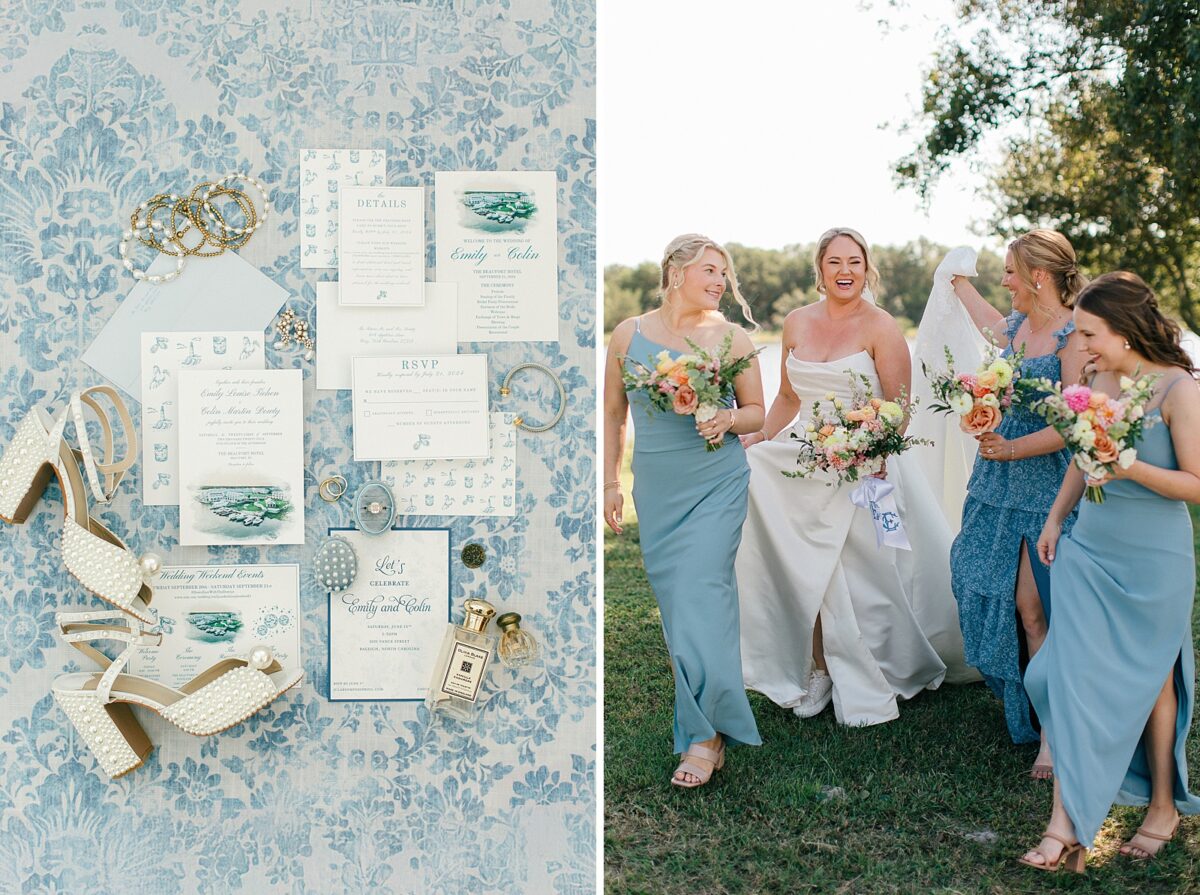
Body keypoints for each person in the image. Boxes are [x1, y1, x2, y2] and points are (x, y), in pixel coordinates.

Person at [735, 227, 969, 727]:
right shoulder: (796, 322)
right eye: (835, 262)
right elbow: (789, 399)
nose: (845, 271)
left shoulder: (882, 327)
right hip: (807, 455)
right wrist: (761, 439)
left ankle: (882, 663)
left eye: (855, 262)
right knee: (802, 556)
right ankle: (818, 667)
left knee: (873, 569)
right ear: (819, 270)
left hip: (870, 465)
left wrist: (868, 448)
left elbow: (901, 407)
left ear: (867, 269)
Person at [1019, 272, 1200, 873]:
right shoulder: (1099, 379)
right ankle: (1064, 823)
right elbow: (1082, 454)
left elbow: (1195, 486)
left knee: (1154, 683)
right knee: (1064, 674)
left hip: (1154, 555)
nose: (1084, 345)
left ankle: (1162, 807)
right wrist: (1055, 517)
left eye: (1091, 334)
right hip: (1091, 545)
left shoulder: (1178, 389)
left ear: (1123, 332)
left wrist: (1128, 468)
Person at [603, 233, 764, 787]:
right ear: (676, 271)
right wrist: (608, 484)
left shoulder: (732, 337)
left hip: (717, 482)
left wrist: (726, 420)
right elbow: (612, 417)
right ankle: (705, 722)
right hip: (658, 488)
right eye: (710, 271)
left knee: (703, 594)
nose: (721, 281)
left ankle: (704, 738)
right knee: (679, 610)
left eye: (724, 273)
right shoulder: (629, 333)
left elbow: (757, 414)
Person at [947, 229, 1086, 777]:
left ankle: (1053, 733)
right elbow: (985, 319)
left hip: (1048, 485)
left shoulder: (1074, 336)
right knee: (973, 573)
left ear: (1038, 276)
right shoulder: (1015, 327)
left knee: (1035, 608)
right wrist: (954, 280)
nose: (1003, 282)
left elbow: (1076, 425)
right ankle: (1026, 697)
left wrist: (1013, 448)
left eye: (1009, 271)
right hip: (996, 483)